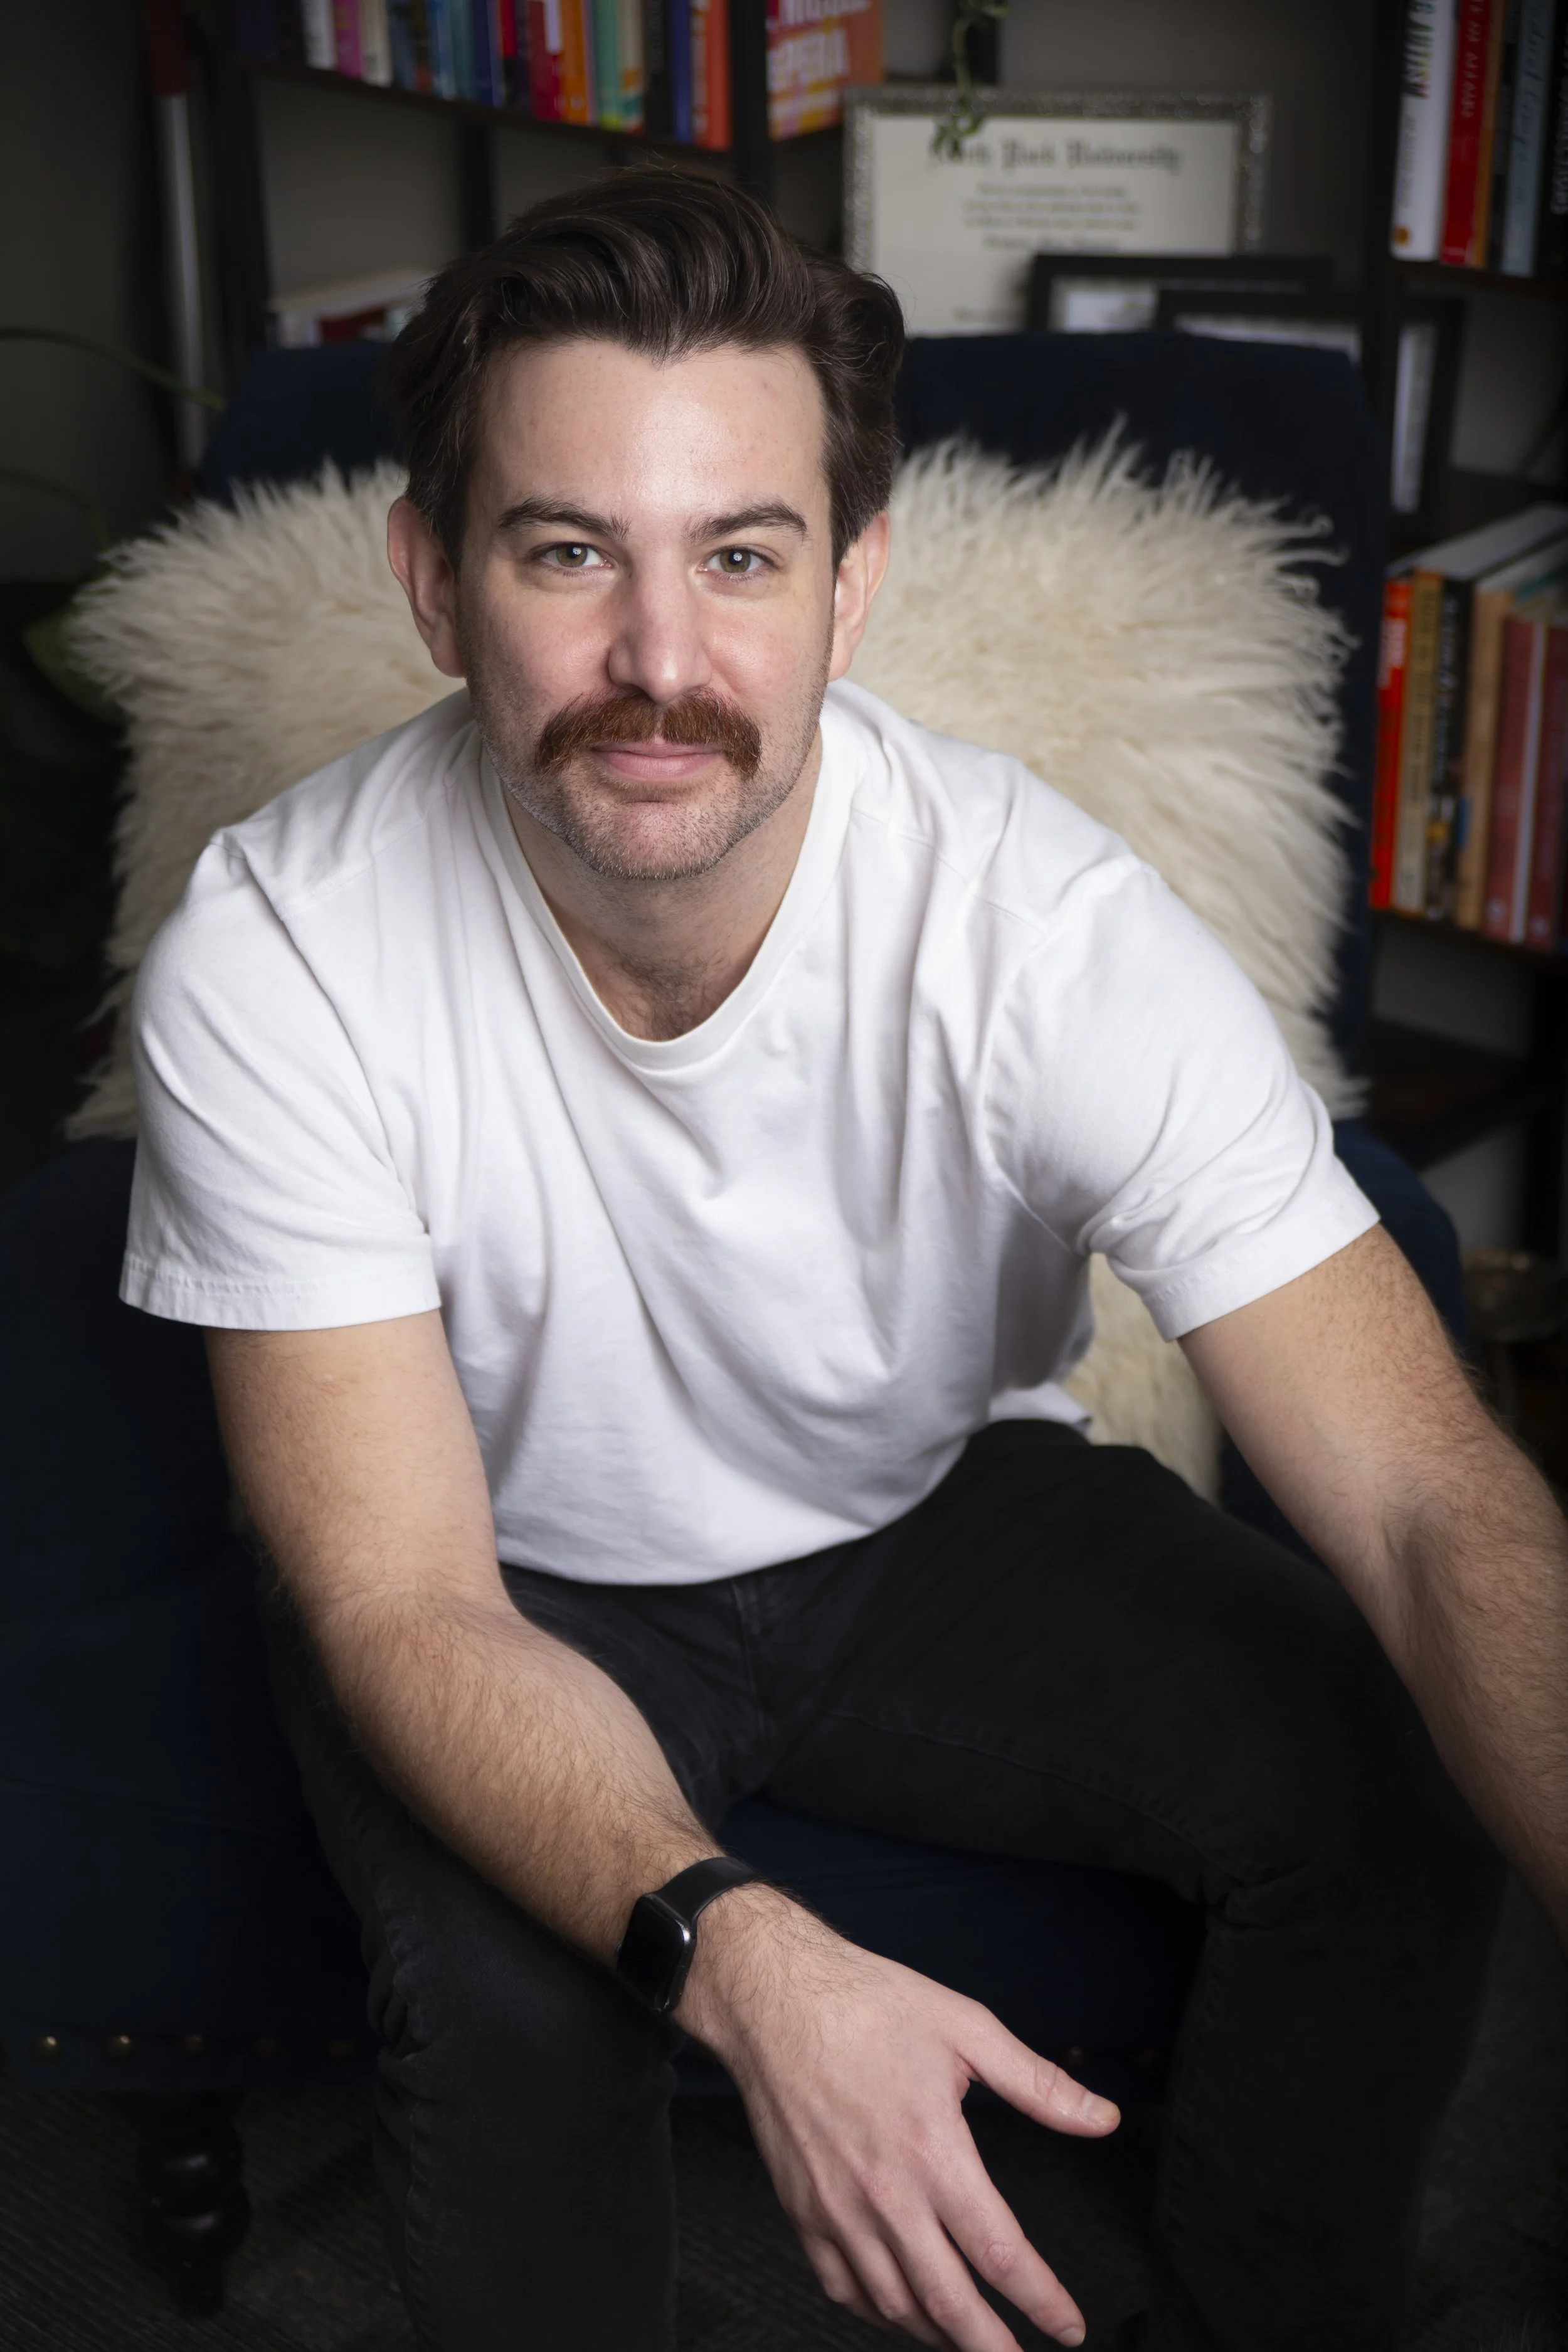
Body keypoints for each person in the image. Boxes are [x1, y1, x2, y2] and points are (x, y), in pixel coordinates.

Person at [120, 169, 1562, 2352]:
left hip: (928, 1507)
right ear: (434, 581)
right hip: (496, 1563)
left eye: (741, 555)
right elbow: (396, 1595)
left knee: (1387, 1782)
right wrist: (744, 1949)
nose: (660, 663)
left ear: (852, 585)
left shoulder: (1042, 933)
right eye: (565, 550)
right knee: (517, 2003)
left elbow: (1424, 1495)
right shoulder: (275, 950)